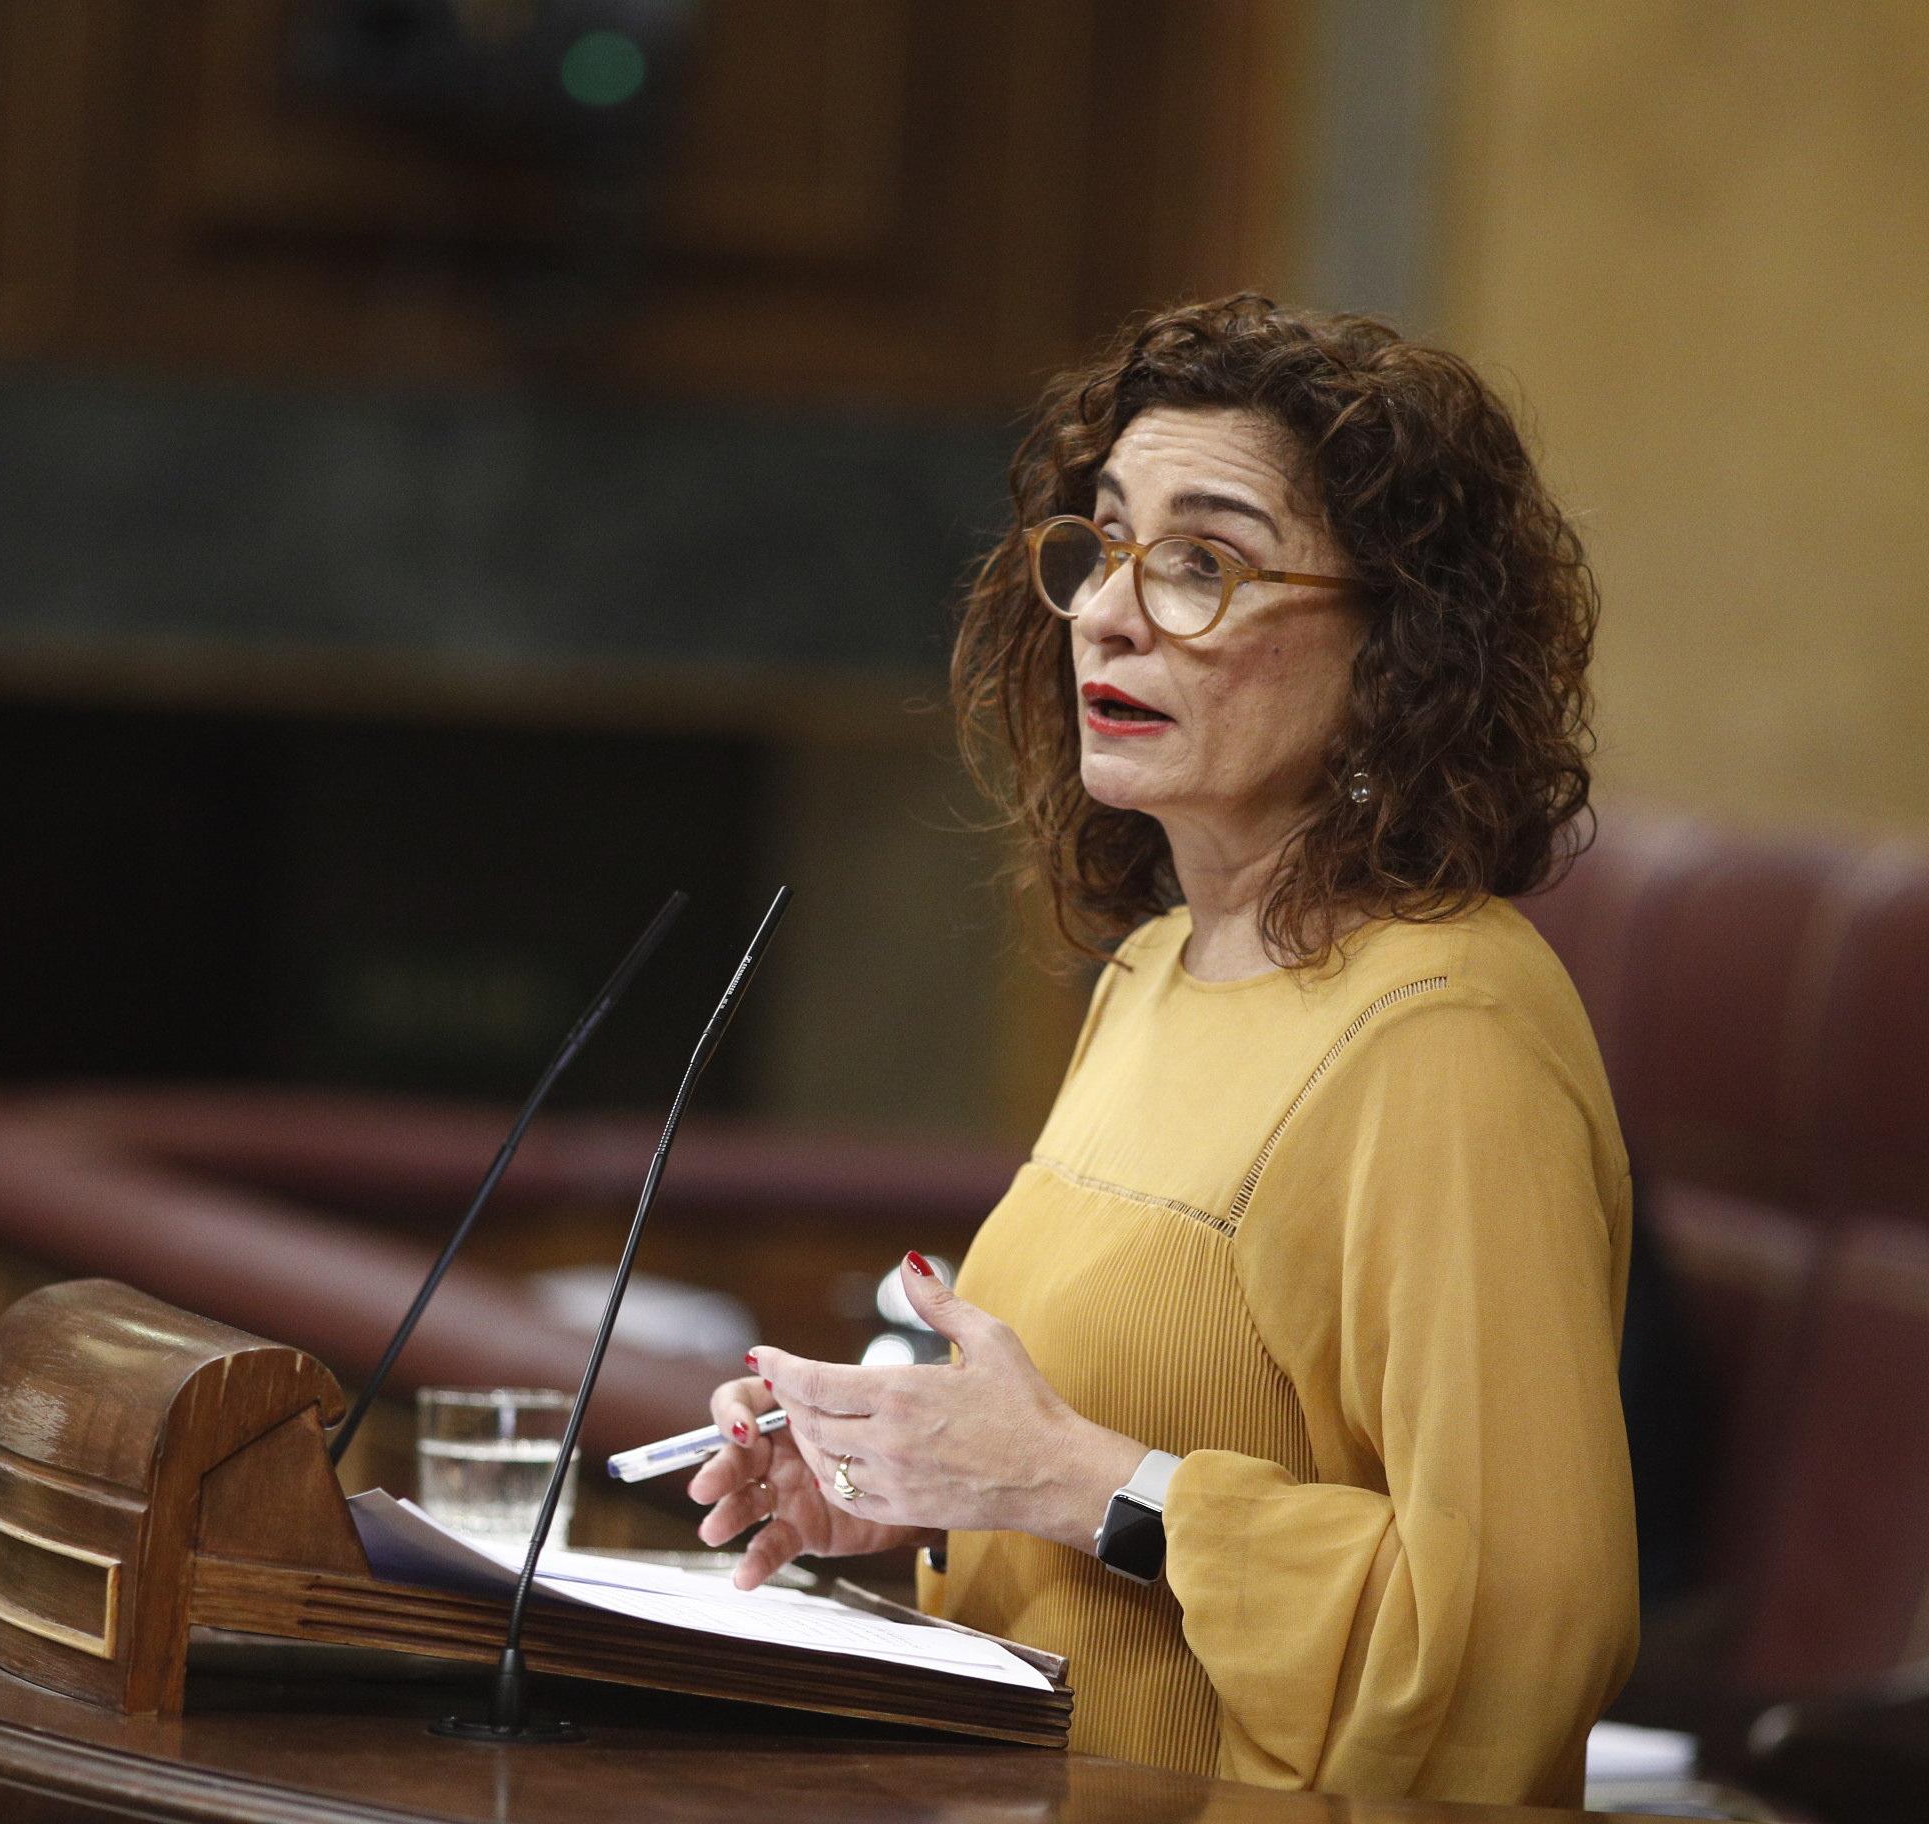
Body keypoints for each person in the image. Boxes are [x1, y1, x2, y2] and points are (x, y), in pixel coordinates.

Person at [688, 294, 1636, 1809]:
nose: (1110, 613)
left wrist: (1060, 1483)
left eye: (1205, 563)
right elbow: (1138, 1484)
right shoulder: (1153, 971)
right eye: (1106, 544)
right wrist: (922, 1496)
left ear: (1401, 643)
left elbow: (1519, 1642)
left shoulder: (1445, 1042)